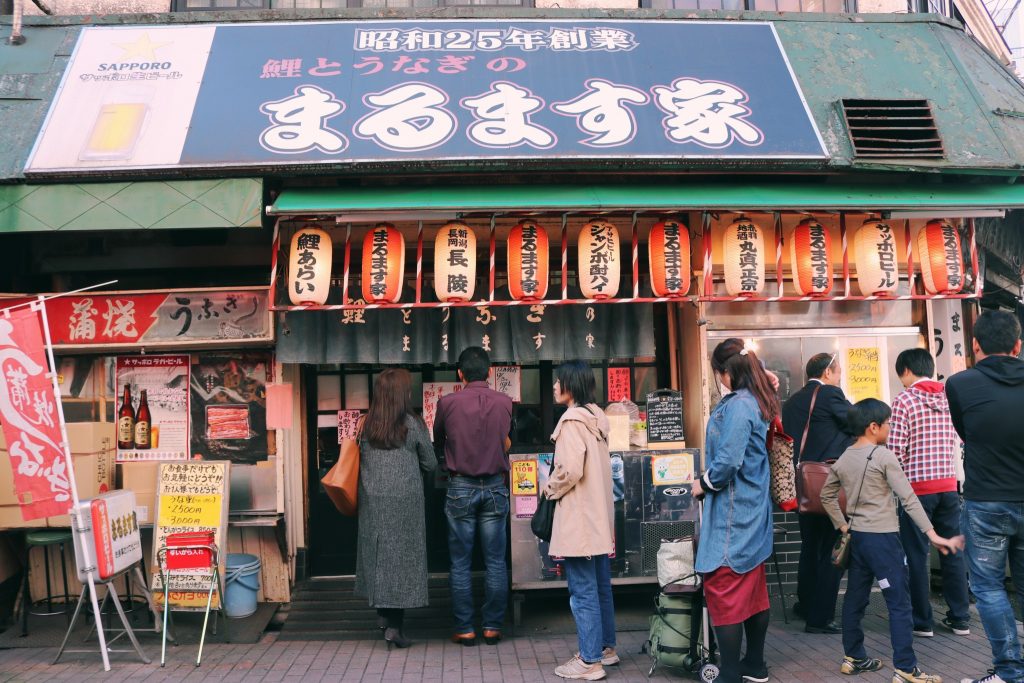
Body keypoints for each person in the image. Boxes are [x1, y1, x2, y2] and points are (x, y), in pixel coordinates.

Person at [821, 398, 962, 683]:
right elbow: (908, 499)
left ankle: (854, 657)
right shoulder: (884, 456)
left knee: (855, 599)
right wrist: (932, 534)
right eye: (888, 424)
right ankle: (906, 668)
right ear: (873, 427)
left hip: (858, 540)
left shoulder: (845, 456)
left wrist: (842, 525)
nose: (890, 427)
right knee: (899, 603)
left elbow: (826, 495)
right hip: (884, 540)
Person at [692, 338, 778, 683]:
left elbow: (727, 461)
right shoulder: (760, 398)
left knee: (722, 586)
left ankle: (729, 672)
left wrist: (703, 483)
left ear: (726, 372)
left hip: (733, 513)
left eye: (718, 374)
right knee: (754, 591)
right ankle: (754, 665)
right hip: (752, 509)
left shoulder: (741, 405)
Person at [945, 310, 1024, 683]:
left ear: (974, 346)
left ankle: (1010, 672)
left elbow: (965, 431)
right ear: (1018, 346)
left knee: (989, 587)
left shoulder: (960, 384)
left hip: (986, 501)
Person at [433, 346, 514, 647]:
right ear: (490, 372)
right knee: (495, 561)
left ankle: (465, 627)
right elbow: (507, 438)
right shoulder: (504, 402)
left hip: (461, 486)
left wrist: (448, 462)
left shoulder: (447, 403)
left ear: (460, 373)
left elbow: (438, 440)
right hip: (494, 485)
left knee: (461, 562)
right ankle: (493, 626)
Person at [888, 348, 970, 638]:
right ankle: (960, 618)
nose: (902, 381)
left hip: (916, 492)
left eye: (901, 375)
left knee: (915, 554)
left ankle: (922, 622)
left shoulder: (905, 400)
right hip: (949, 488)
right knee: (951, 553)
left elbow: (895, 451)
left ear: (908, 370)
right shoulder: (950, 397)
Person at [354, 369, 437, 649]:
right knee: (401, 559)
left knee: (378, 555)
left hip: (372, 499)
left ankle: (384, 615)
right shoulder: (412, 423)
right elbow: (431, 463)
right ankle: (394, 626)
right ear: (403, 394)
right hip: (405, 501)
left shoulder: (365, 424)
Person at [545, 360, 617, 681]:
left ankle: (589, 661)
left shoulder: (572, 421)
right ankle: (605, 649)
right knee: (600, 587)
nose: (554, 387)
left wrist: (549, 488)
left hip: (580, 521)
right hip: (599, 518)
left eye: (558, 381)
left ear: (570, 385)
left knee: (582, 590)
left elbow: (569, 471)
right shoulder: (596, 419)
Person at [781, 352, 854, 633]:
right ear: (827, 373)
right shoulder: (830, 395)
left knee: (810, 547)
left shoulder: (793, 402)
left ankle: (806, 603)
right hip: (829, 486)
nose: (840, 377)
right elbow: (856, 421)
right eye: (838, 372)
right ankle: (820, 617)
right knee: (834, 549)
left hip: (804, 484)